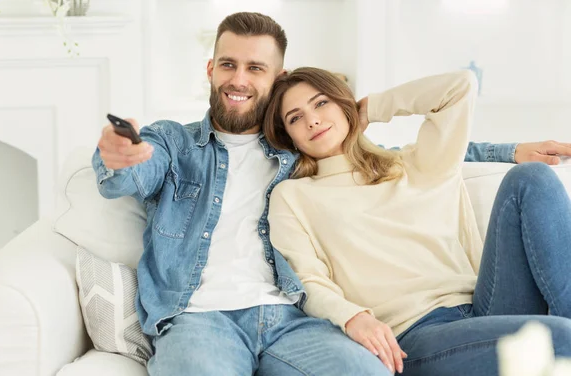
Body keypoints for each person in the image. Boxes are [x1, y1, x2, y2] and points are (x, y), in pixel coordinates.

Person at [93, 11, 571, 375]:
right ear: (211, 69)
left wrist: (507, 150)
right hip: (212, 317)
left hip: (304, 320)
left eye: (255, 68)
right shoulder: (186, 148)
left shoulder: (319, 156)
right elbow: (133, 169)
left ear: (275, 79)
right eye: (228, 65)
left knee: (529, 181)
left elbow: (400, 146)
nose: (239, 79)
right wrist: (118, 155)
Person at [263, 66, 571, 376]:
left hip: (486, 307)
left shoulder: (415, 163)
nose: (312, 120)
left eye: (320, 103)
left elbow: (460, 86)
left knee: (530, 178)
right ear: (288, 137)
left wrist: (373, 108)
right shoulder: (293, 196)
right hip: (415, 337)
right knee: (560, 339)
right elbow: (308, 281)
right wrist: (353, 317)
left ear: (344, 104)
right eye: (295, 118)